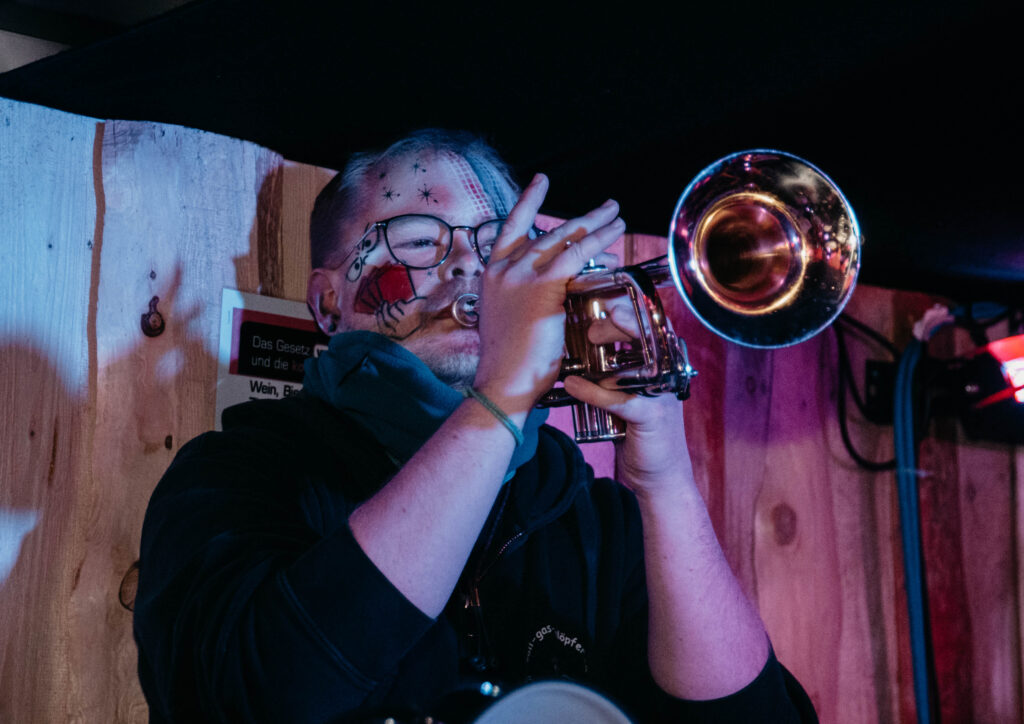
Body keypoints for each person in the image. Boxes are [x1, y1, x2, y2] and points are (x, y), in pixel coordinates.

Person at [133, 129, 816, 723]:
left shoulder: (594, 518)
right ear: (329, 302)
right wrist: (502, 396)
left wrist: (666, 482)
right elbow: (255, 694)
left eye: (498, 250)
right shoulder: (237, 473)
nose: (469, 266)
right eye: (420, 241)